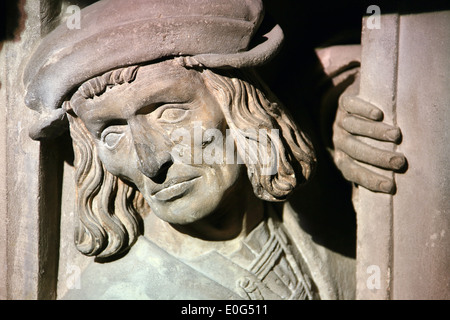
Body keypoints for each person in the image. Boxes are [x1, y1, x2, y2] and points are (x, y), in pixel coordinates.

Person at [23, 0, 404, 300]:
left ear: (240, 106)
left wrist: (343, 105)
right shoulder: (117, 293)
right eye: (111, 134)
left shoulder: (315, 208)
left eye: (170, 111)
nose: (151, 161)